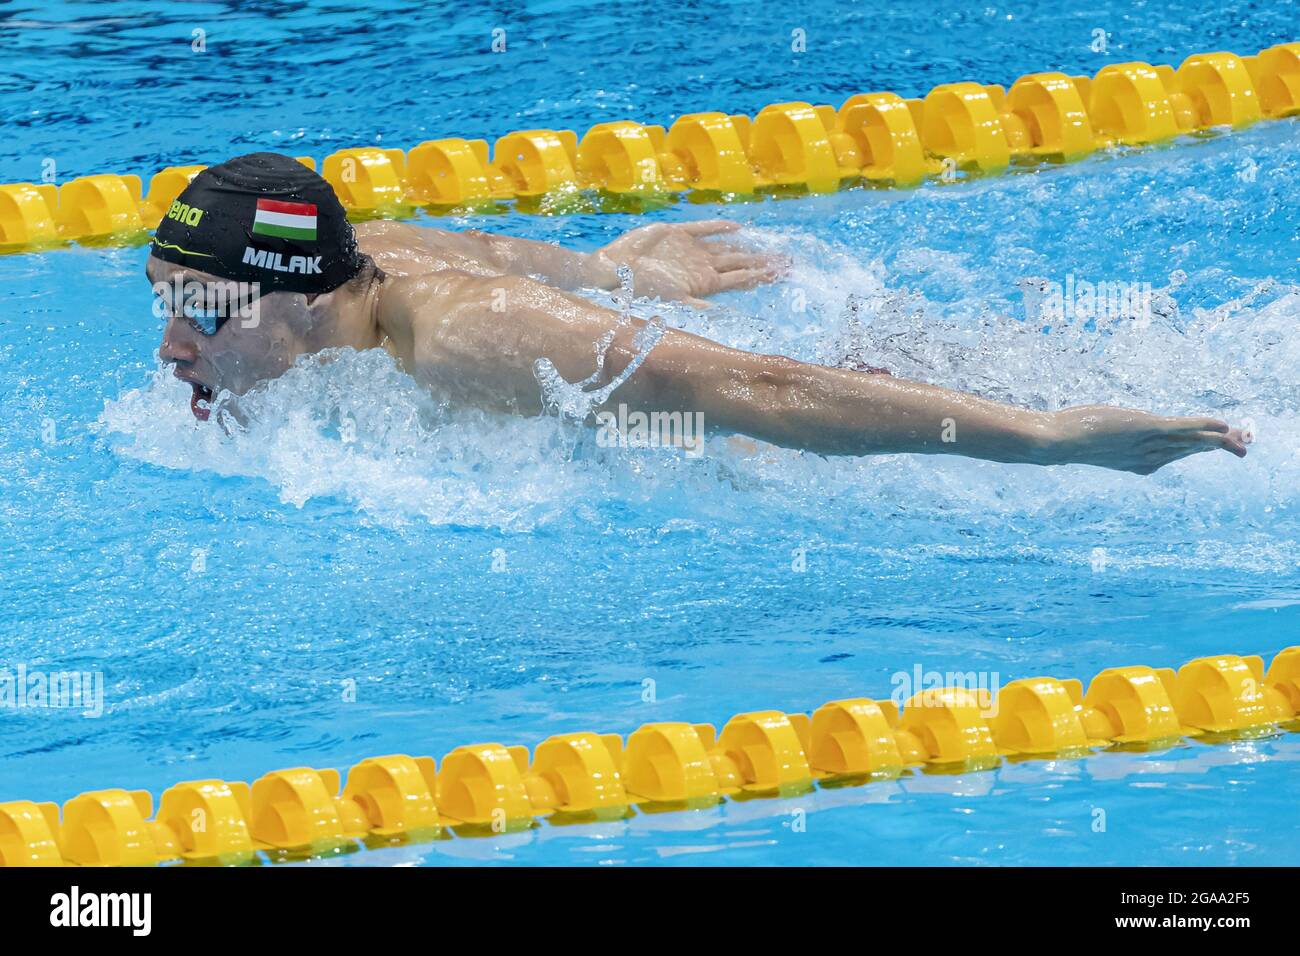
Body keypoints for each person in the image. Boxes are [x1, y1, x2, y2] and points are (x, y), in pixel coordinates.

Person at [149, 152, 1247, 474]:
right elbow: (488, 245)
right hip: (710, 371)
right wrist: (618, 264)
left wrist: (1042, 439)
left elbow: (750, 388)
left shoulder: (469, 342)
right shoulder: (359, 269)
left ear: (294, 295)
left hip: (800, 401)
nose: (172, 346)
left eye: (201, 309)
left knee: (1025, 386)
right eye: (167, 305)